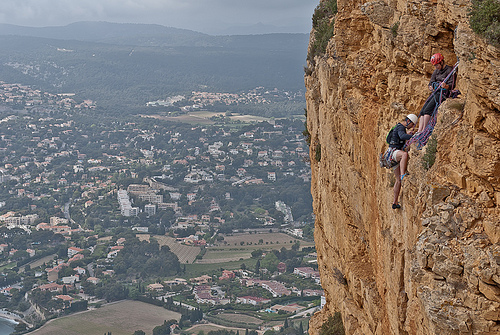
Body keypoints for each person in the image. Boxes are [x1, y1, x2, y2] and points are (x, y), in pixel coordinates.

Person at [417, 53, 454, 133]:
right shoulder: (436, 71)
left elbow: (452, 84)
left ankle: (423, 130)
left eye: (437, 65)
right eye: (435, 66)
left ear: (441, 62)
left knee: (427, 110)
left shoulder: (449, 70)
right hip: (436, 91)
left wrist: (446, 86)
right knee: (423, 110)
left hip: (443, 93)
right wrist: (431, 86)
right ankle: (419, 130)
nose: (436, 67)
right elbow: (431, 82)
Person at [389, 114, 417, 209]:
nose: (412, 127)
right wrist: (413, 137)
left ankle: (395, 202)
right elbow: (401, 136)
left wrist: (408, 134)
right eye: (412, 124)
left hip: (392, 155)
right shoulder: (400, 127)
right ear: (408, 121)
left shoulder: (399, 127)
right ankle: (402, 175)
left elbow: (401, 136)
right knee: (404, 155)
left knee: (397, 181)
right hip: (394, 153)